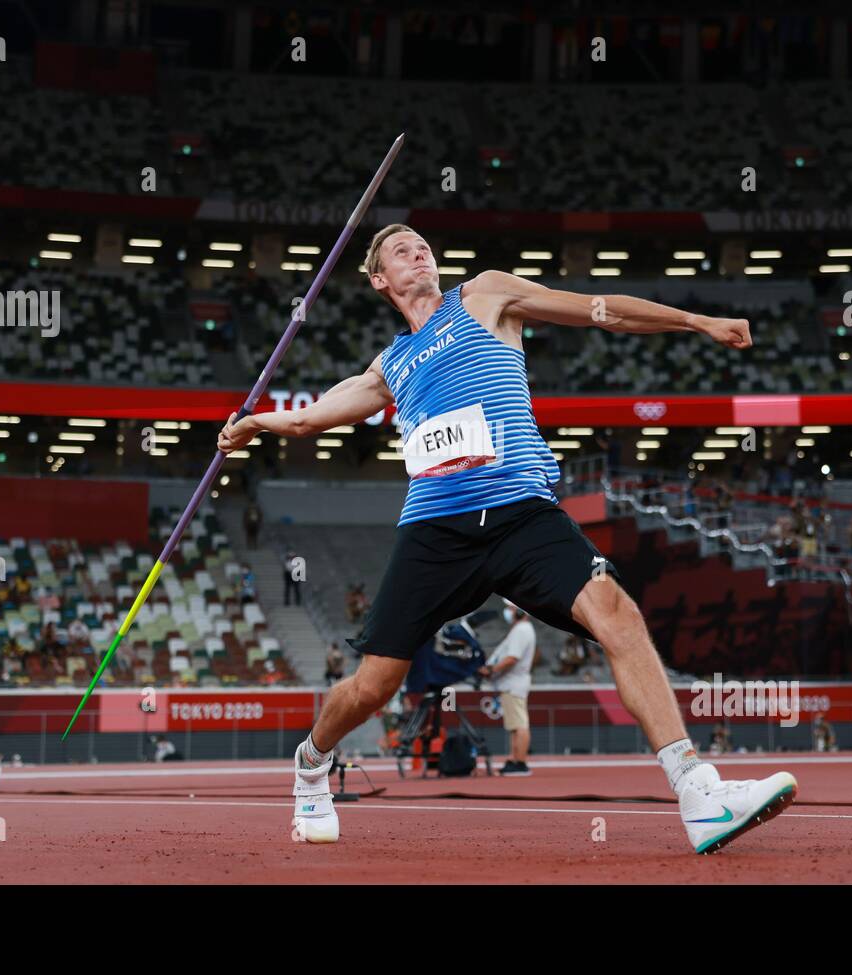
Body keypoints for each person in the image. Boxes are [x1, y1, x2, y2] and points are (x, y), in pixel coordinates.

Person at [218, 223, 796, 853]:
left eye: (424, 245)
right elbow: (309, 419)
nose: (420, 253)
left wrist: (694, 321)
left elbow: (598, 310)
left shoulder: (485, 296)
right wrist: (255, 424)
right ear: (380, 280)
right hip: (436, 530)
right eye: (402, 251)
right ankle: (311, 762)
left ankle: (698, 792)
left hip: (523, 513)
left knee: (617, 614)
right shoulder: (388, 367)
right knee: (373, 686)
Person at [479, 600, 536, 775]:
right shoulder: (521, 629)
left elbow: (512, 658)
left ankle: (520, 763)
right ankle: (515, 759)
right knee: (514, 726)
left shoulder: (522, 630)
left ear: (520, 611)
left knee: (519, 724)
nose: (508, 611)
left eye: (511, 608)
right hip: (512, 683)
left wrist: (491, 669)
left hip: (513, 683)